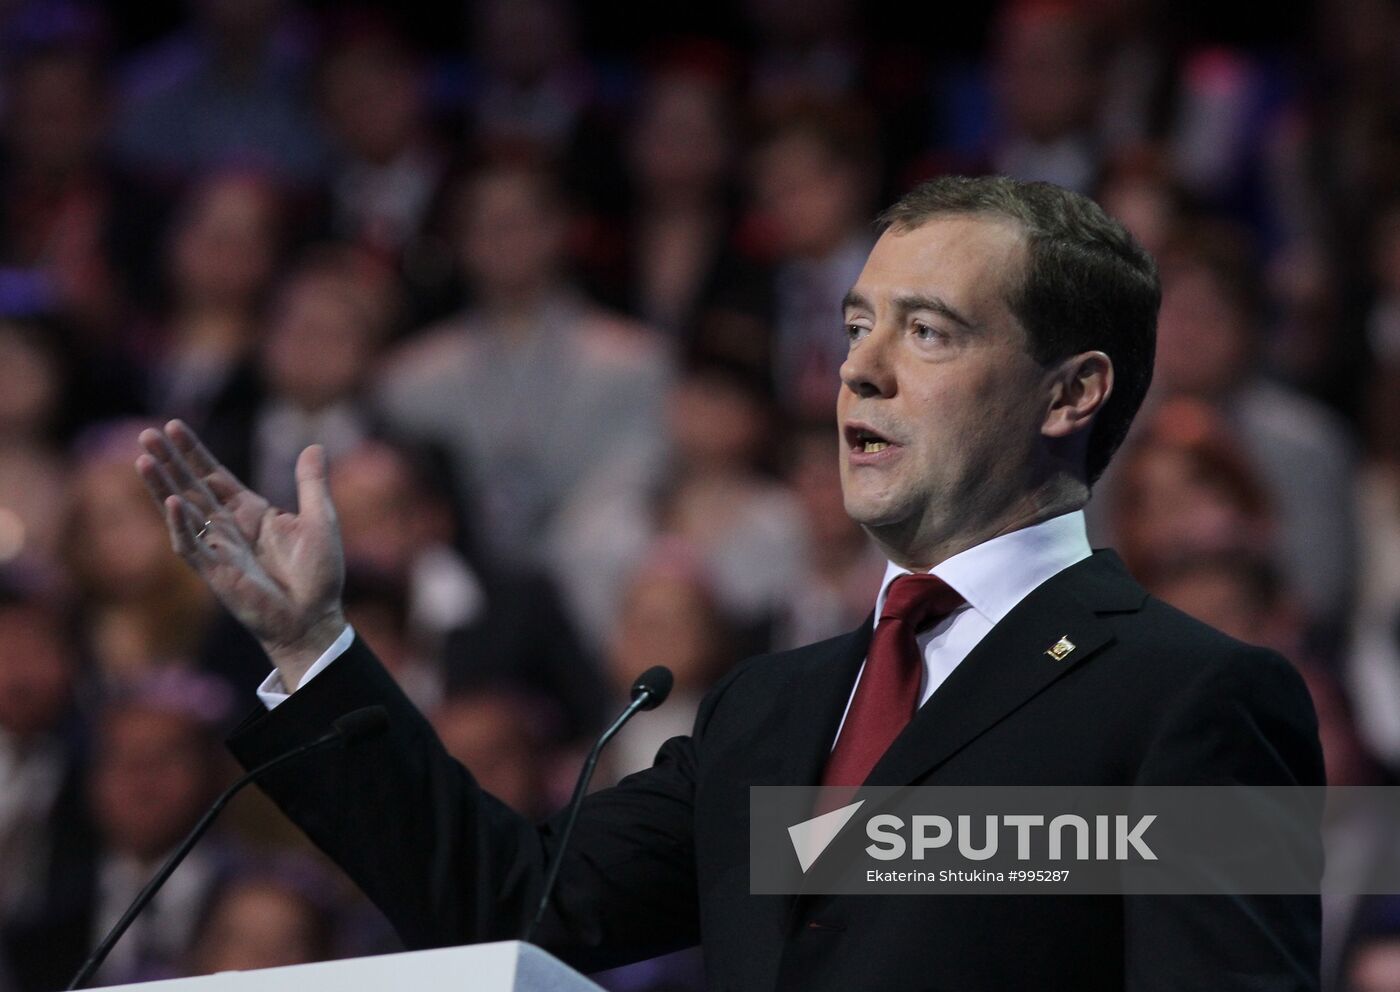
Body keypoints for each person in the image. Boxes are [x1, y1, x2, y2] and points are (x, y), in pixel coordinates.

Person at [134, 175, 1322, 991]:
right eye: (857, 325)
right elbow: (511, 907)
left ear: (1071, 393)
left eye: (927, 331)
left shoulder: (1188, 697)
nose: (855, 369)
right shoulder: (772, 713)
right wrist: (314, 648)